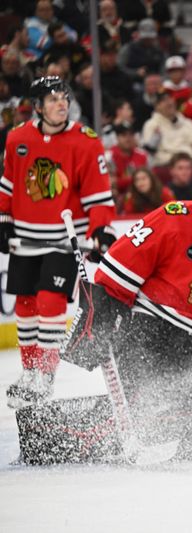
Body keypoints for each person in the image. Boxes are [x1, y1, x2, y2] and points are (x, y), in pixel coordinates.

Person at [15, 174, 192, 464]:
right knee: (146, 411)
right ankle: (49, 432)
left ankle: (178, 421)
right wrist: (101, 314)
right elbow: (118, 267)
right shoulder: (174, 218)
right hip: (151, 332)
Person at [0, 76, 116, 408]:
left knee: (51, 302)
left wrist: (100, 229)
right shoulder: (18, 138)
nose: (61, 103)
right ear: (38, 106)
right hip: (25, 238)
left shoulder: (85, 141)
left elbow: (98, 193)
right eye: (52, 99)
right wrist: (4, 221)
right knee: (25, 304)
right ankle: (29, 371)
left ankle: (46, 375)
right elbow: (9, 183)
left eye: (63, 98)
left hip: (65, 238)